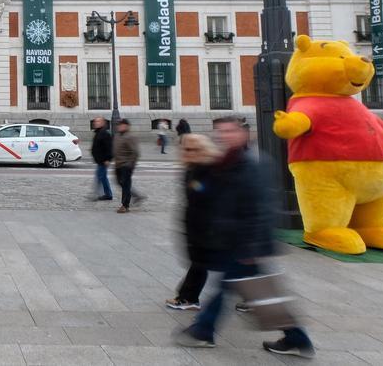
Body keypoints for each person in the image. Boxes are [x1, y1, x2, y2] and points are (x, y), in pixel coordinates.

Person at [175, 117, 315, 358]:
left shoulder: (252, 164)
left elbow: (263, 208)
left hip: (246, 243)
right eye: (219, 132)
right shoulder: (229, 161)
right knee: (257, 292)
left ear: (243, 133)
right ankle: (296, 338)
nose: (223, 136)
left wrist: (254, 246)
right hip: (234, 239)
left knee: (234, 288)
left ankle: (203, 331)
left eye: (229, 131)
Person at [166, 133, 222, 310]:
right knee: (202, 263)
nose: (188, 152)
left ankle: (188, 297)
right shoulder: (192, 168)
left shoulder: (208, 169)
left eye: (193, 149)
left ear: (204, 150)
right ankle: (187, 296)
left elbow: (206, 195)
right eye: (185, 149)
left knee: (202, 263)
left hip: (211, 226)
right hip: (199, 225)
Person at [112, 118, 143, 213]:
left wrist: (130, 164)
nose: (119, 126)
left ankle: (125, 205)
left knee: (125, 185)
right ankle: (136, 196)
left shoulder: (130, 137)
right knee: (119, 182)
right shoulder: (117, 136)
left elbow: (136, 152)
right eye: (118, 125)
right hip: (118, 164)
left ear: (126, 126)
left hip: (126, 165)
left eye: (121, 125)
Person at [89, 117, 113, 201]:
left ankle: (100, 194)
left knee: (100, 177)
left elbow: (109, 147)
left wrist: (108, 159)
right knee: (102, 177)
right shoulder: (98, 132)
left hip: (103, 160)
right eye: (95, 121)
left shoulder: (105, 133)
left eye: (98, 121)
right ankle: (107, 194)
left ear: (103, 123)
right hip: (100, 160)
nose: (96, 123)